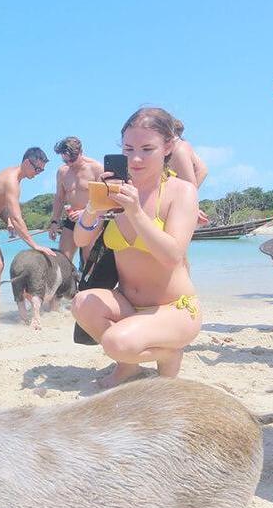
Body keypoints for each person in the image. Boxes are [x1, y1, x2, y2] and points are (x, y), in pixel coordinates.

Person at [71, 108, 200, 386]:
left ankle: (169, 353)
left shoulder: (181, 192)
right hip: (129, 304)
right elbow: (81, 240)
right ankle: (129, 367)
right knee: (83, 303)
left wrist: (136, 213)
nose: (136, 159)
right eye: (128, 149)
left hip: (174, 309)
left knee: (116, 341)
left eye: (147, 149)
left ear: (167, 147)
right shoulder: (117, 191)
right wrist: (93, 209)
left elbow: (172, 256)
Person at [0, 147, 56, 318]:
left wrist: (6, 219)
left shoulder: (13, 175)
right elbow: (17, 218)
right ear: (26, 162)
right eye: (36, 168)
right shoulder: (12, 180)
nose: (38, 173)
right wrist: (35, 245)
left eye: (42, 170)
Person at [49, 137, 103, 267]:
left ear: (81, 152)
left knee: (89, 262)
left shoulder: (96, 168)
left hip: (91, 220)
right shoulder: (62, 171)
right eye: (65, 160)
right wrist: (54, 221)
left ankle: (87, 287)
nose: (69, 164)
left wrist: (85, 212)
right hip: (71, 220)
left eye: (72, 160)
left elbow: (102, 199)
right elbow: (59, 198)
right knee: (63, 261)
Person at [167, 121, 210, 225]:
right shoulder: (182, 145)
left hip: (172, 203)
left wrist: (186, 199)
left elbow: (200, 172)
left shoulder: (179, 147)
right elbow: (203, 170)